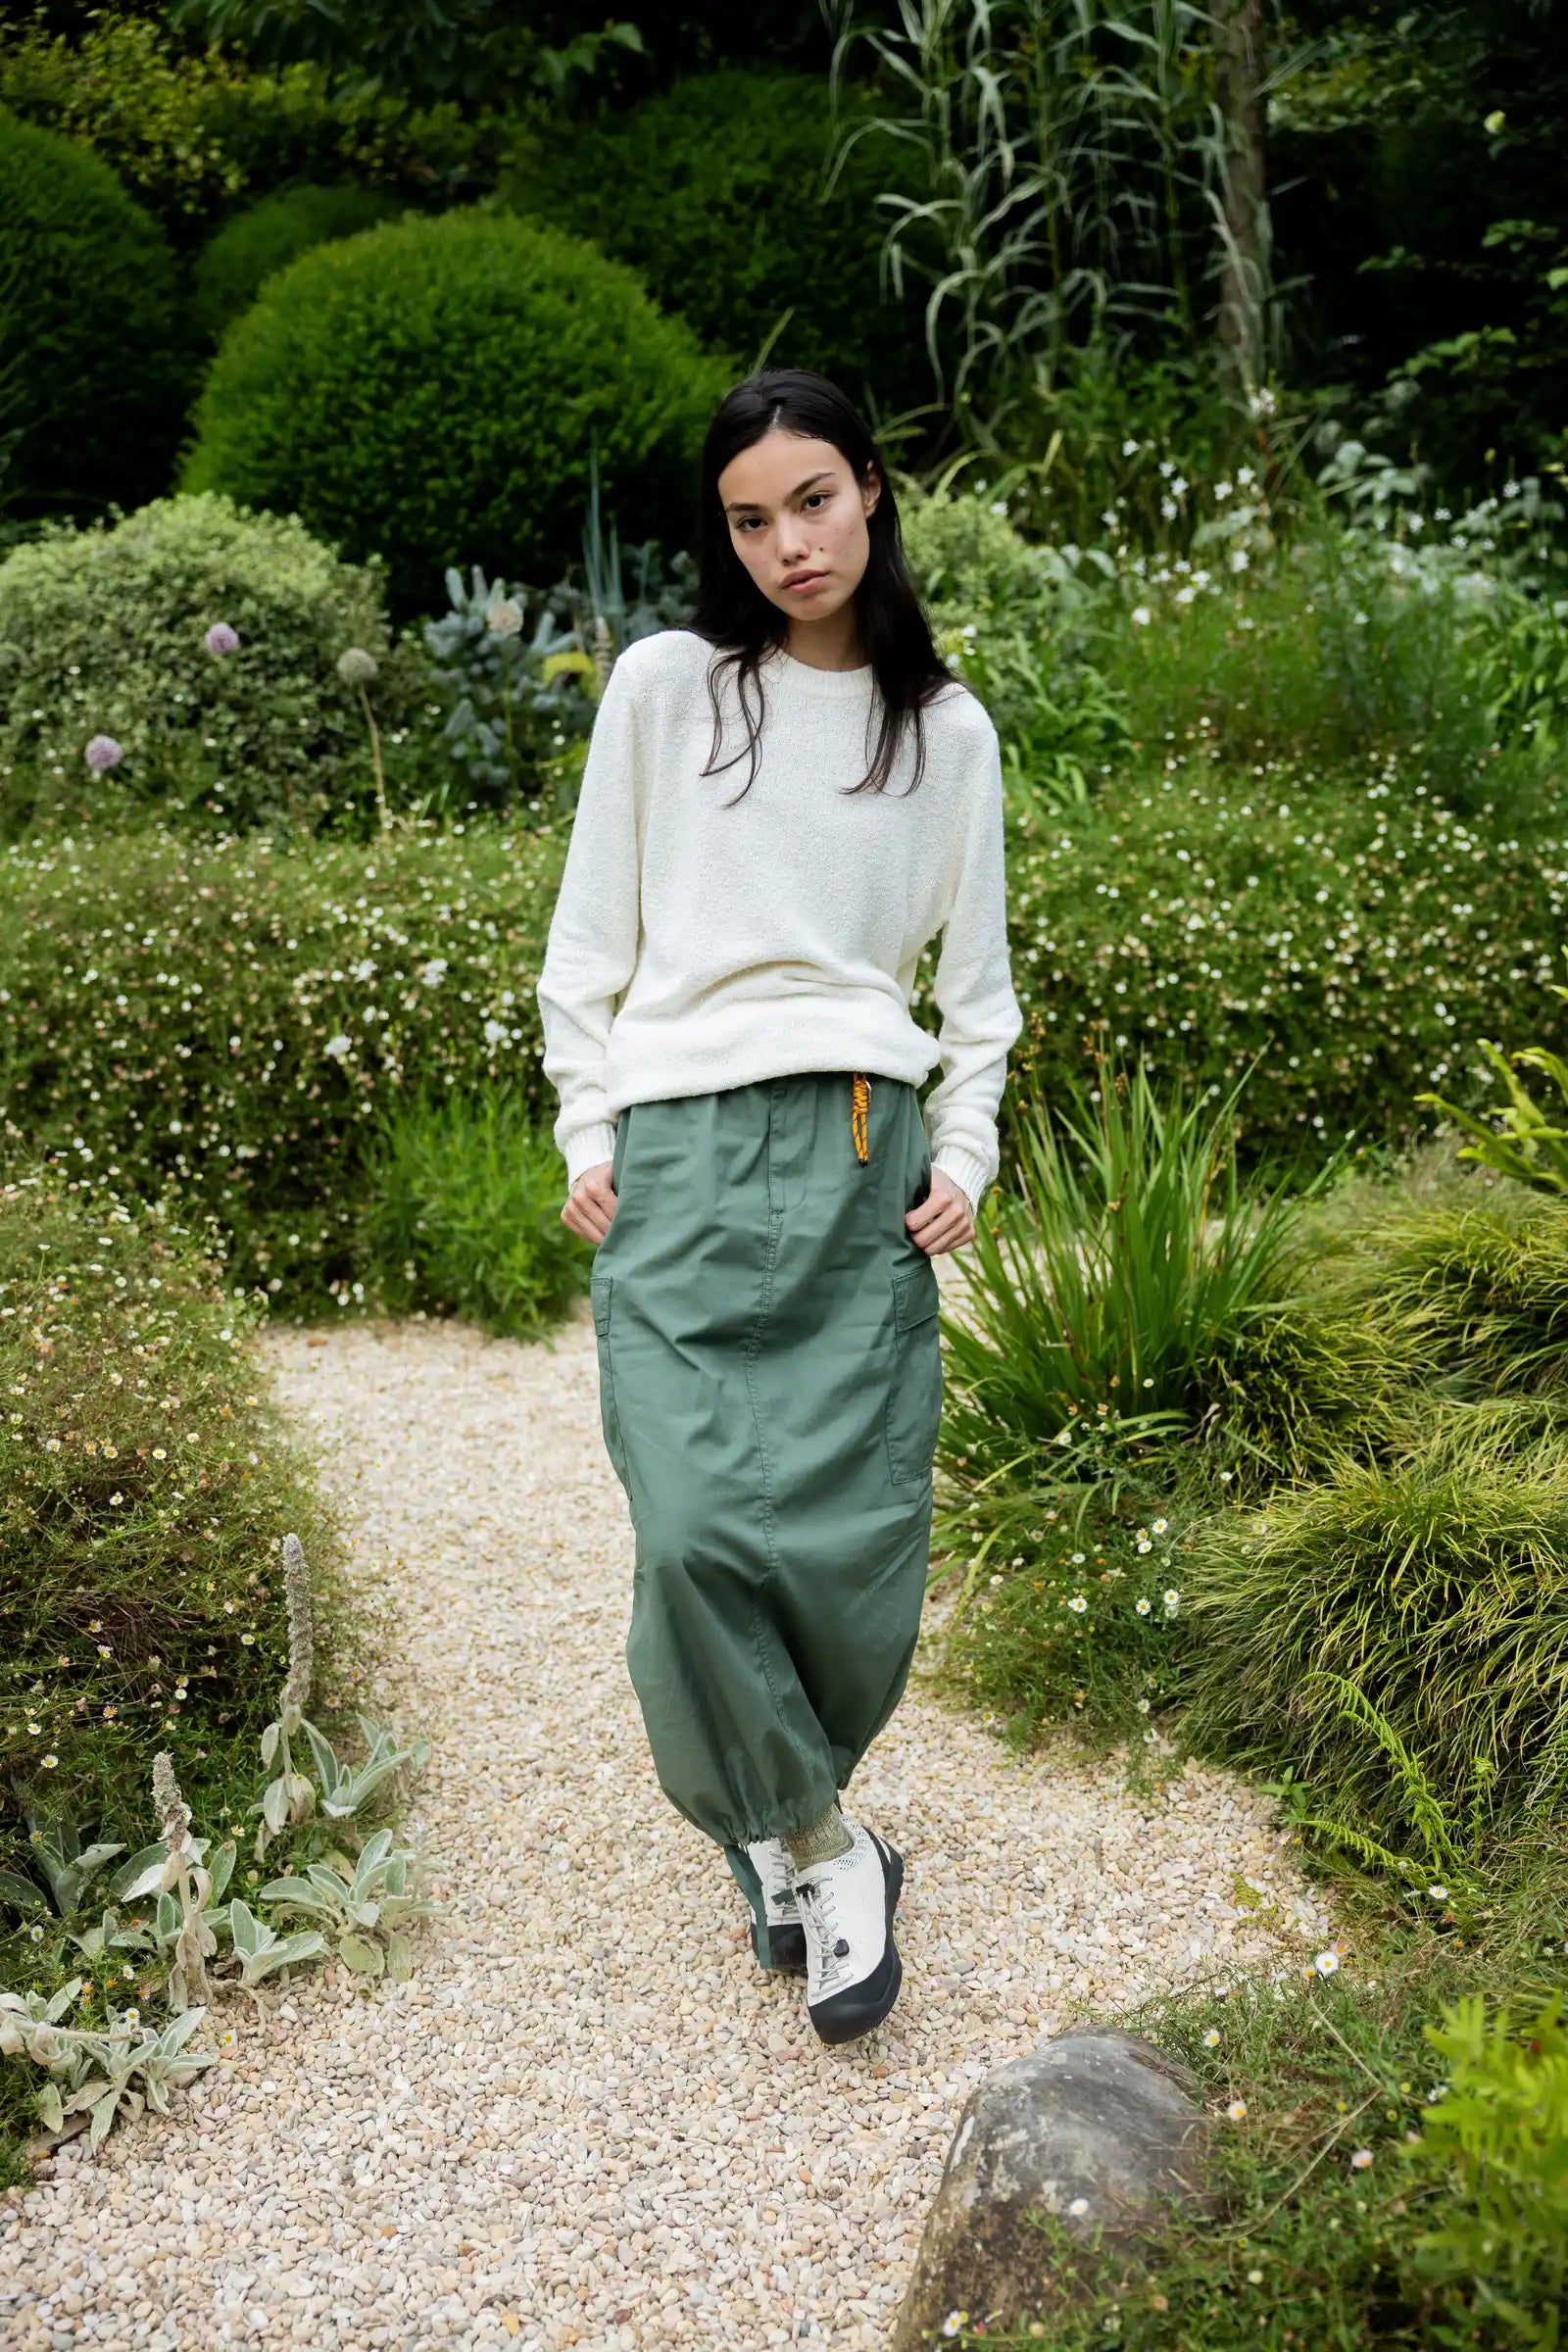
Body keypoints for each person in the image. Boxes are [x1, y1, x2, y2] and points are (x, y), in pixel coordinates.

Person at [537, 368, 1020, 2045]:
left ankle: (788, 1825)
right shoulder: (669, 687)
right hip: (675, 1150)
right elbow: (589, 942)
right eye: (750, 520)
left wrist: (966, 1154)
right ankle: (822, 1841)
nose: (788, 544)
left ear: (872, 489)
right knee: (686, 1529)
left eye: (813, 500)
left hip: (862, 1145)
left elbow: (981, 992)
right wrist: (586, 1122)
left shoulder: (945, 733)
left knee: (844, 1529)